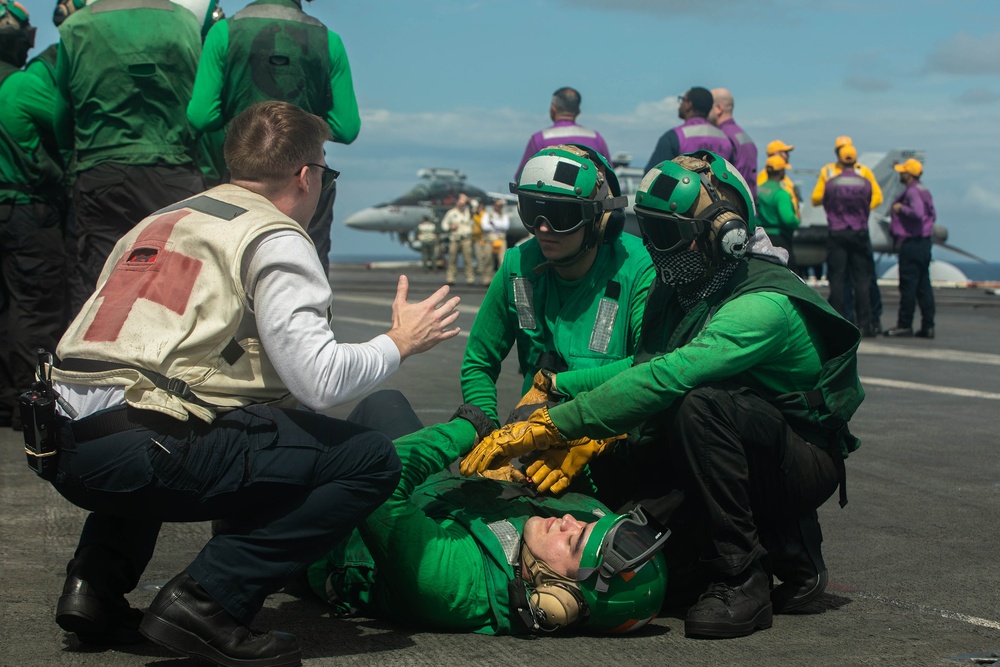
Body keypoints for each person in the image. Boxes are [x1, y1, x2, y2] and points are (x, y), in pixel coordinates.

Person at [38, 101, 462, 666]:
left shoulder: (160, 223)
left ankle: (95, 590)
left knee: (167, 404)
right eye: (327, 175)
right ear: (307, 175)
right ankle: (207, 601)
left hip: (63, 449)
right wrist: (399, 343)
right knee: (369, 460)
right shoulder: (275, 237)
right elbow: (320, 381)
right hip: (143, 455)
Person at [462, 151, 864, 640]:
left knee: (701, 405)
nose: (654, 249)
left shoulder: (763, 306)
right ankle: (779, 552)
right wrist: (553, 389)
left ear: (722, 234)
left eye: (667, 234)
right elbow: (642, 366)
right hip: (734, 445)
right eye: (649, 231)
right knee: (647, 548)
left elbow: (666, 378)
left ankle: (743, 577)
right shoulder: (690, 283)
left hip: (797, 458)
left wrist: (555, 423)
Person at [307, 404, 669, 635]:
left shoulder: (456, 584)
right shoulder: (559, 541)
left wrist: (467, 430)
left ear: (559, 597)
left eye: (574, 541)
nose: (569, 520)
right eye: (586, 524)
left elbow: (379, 477)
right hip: (433, 496)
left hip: (336, 518)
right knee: (386, 402)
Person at [461, 144, 654, 428]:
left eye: (560, 215)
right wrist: (485, 430)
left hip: (615, 438)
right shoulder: (518, 266)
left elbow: (646, 367)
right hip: (535, 438)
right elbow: (479, 362)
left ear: (600, 220)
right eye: (533, 211)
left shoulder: (638, 269)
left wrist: (556, 385)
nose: (542, 228)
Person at [55, 0, 207, 314]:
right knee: (171, 285)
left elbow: (61, 115)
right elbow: (199, 106)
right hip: (173, 172)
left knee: (98, 279)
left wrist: (74, 165)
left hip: (101, 172)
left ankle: (96, 358)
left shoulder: (76, 26)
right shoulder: (184, 21)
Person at [188, 0, 361, 276]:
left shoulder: (223, 32)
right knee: (307, 266)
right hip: (305, 178)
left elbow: (201, 116)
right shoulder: (329, 41)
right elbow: (346, 127)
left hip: (239, 174)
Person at [0, 1, 66, 429]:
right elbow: (66, 129)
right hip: (26, 209)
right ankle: (26, 404)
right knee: (34, 307)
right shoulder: (24, 86)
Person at [813, 143, 880, 337]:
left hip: (837, 233)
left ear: (840, 161)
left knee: (838, 279)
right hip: (859, 233)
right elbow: (871, 202)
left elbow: (823, 202)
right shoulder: (865, 183)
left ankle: (838, 322)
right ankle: (866, 324)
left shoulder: (831, 183)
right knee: (862, 280)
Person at [885, 158, 935, 338]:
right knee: (923, 286)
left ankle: (904, 324)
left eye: (902, 171)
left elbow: (918, 213)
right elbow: (931, 215)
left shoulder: (912, 192)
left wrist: (900, 208)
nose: (900, 174)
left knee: (908, 285)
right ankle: (928, 325)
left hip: (912, 243)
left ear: (909, 174)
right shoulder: (924, 190)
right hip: (924, 243)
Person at [514, 86, 611, 181]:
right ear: (578, 111)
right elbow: (610, 176)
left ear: (553, 108)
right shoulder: (596, 139)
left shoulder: (539, 139)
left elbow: (521, 177)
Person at [644, 86, 734, 172]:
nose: (681, 104)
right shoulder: (726, 139)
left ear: (689, 105)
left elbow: (653, 175)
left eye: (682, 100)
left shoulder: (674, 137)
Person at [709, 87, 757, 193]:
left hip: (732, 204)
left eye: (709, 107)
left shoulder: (721, 138)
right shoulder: (744, 136)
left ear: (718, 108)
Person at [756, 155, 800, 262]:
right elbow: (788, 219)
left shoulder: (757, 190)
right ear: (781, 172)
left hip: (760, 238)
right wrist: (797, 220)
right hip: (779, 239)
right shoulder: (781, 194)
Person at [443, 192, 476, 285]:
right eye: (460, 203)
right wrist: (450, 228)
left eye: (464, 204)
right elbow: (444, 225)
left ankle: (470, 278)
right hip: (455, 238)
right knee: (452, 259)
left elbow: (475, 204)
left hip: (466, 239)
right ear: (456, 203)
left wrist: (468, 199)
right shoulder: (451, 213)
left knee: (468, 259)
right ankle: (450, 278)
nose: (462, 205)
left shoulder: (468, 212)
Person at [478, 197, 510, 280]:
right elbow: (485, 226)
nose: (498, 207)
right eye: (497, 205)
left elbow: (506, 226)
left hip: (501, 240)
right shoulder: (487, 215)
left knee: (502, 261)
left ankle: (501, 280)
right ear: (494, 205)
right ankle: (486, 279)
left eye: (500, 206)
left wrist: (493, 224)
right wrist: (499, 225)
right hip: (489, 240)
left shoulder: (504, 215)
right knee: (487, 259)